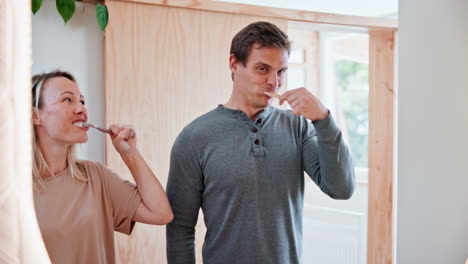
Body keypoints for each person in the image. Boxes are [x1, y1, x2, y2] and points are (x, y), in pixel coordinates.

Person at [166, 21, 355, 264]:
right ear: (234, 64)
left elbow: (342, 189)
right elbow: (180, 228)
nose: (274, 82)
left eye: (281, 71)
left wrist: (323, 119)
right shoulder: (194, 138)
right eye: (263, 69)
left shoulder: (297, 127)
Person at [31, 70, 173, 264]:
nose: (81, 109)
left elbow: (160, 213)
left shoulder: (95, 177)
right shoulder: (12, 190)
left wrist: (129, 153)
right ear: (35, 115)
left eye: (82, 101)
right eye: (67, 100)